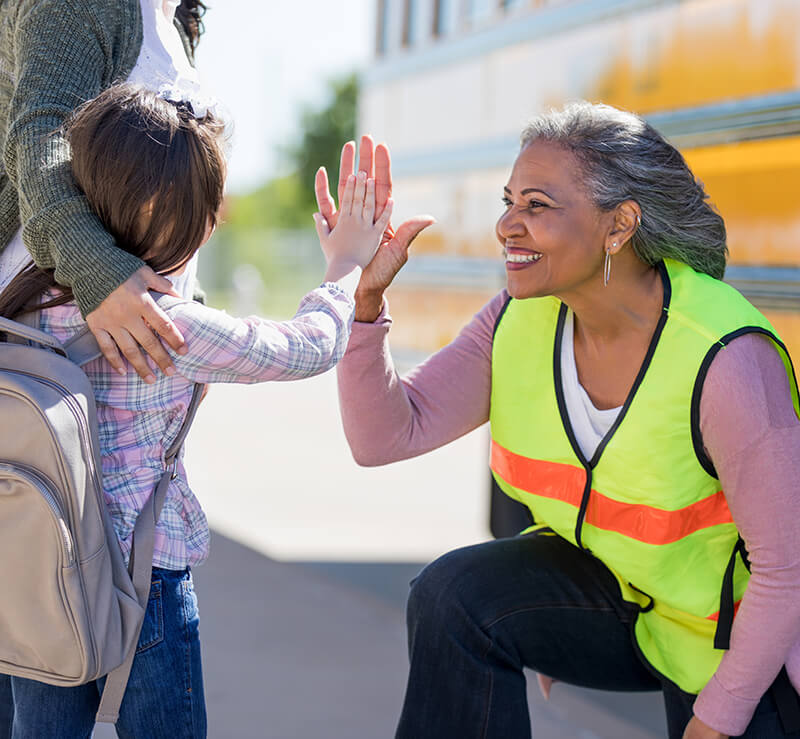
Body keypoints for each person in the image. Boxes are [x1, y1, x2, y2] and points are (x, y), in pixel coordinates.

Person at [318, 106, 800, 738]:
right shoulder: (518, 320)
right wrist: (364, 304)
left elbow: (787, 570)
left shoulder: (727, 357)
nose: (505, 226)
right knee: (454, 597)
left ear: (619, 226)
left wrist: (717, 718)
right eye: (508, 201)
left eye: (537, 205)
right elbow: (384, 435)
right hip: (631, 606)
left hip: (745, 642)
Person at [0, 83, 392, 738]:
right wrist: (345, 264)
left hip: (38, 574)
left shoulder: (23, 299)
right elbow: (305, 348)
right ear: (187, 220)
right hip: (143, 582)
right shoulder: (166, 327)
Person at [0, 0, 214, 386]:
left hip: (131, 325)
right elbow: (40, 138)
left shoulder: (173, 19)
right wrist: (96, 270)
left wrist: (191, 301)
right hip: (54, 321)